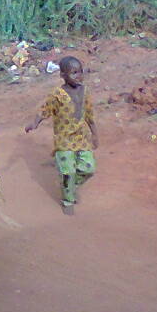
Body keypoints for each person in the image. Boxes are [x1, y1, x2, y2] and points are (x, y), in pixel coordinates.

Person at [25, 56, 99, 215]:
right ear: (63, 75)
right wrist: (35, 123)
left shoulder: (85, 92)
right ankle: (67, 200)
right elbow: (45, 110)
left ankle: (71, 188)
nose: (79, 75)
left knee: (89, 168)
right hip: (63, 140)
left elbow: (89, 115)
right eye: (74, 73)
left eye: (80, 72)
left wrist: (95, 135)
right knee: (68, 172)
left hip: (81, 138)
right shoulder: (57, 95)